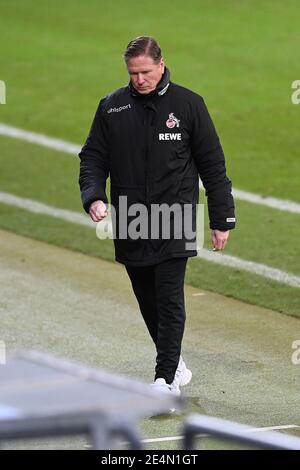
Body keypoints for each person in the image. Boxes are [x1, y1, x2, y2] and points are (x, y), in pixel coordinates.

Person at [78, 36, 236, 396]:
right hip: (132, 217)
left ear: (161, 65)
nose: (139, 80)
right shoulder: (112, 107)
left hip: (175, 216)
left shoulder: (189, 105)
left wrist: (221, 218)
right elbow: (92, 158)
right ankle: (175, 363)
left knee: (168, 296)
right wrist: (93, 197)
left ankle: (164, 380)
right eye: (133, 73)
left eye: (145, 72)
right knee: (146, 298)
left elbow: (213, 166)